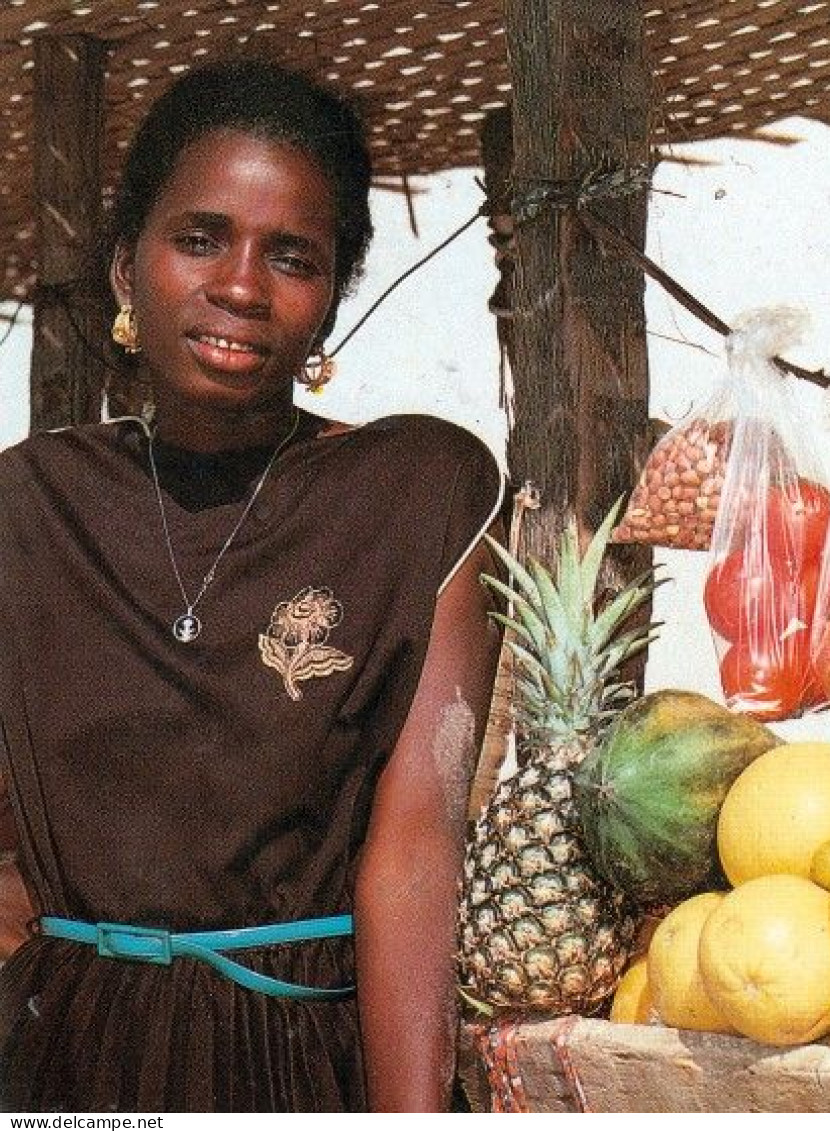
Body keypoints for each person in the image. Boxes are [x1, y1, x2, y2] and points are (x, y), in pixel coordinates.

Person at [0, 59, 504, 1111]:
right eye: (199, 238)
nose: (239, 284)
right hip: (62, 1064)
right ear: (123, 264)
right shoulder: (30, 504)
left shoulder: (414, 496)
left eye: (292, 257)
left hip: (295, 1055)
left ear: (330, 299)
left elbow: (415, 850)